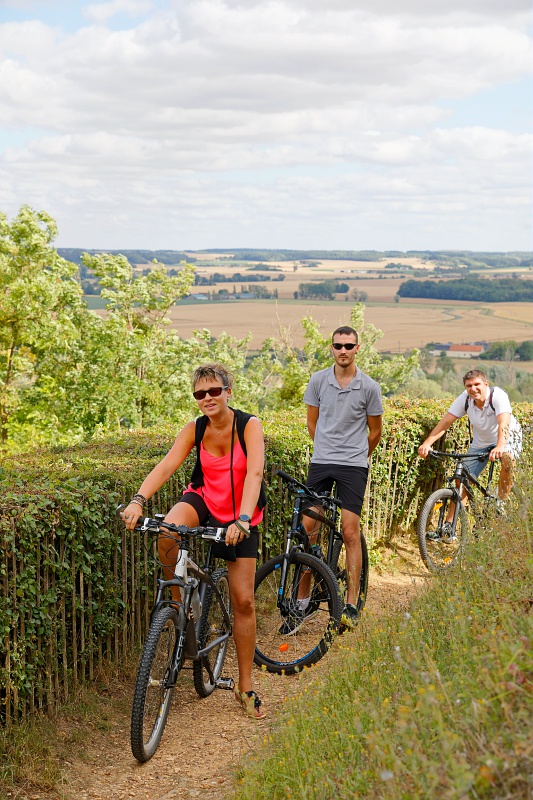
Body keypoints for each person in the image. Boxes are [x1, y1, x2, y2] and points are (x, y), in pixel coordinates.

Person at [121, 363, 266, 719]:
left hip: (239, 517)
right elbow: (167, 465)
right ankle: (178, 607)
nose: (207, 399)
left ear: (228, 392)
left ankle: (245, 689)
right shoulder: (195, 429)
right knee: (168, 529)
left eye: (214, 391)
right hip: (203, 502)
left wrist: (243, 519)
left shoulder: (249, 425)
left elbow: (256, 473)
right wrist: (138, 500)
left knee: (244, 601)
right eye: (200, 394)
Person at [293, 325, 383, 632]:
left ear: (358, 348)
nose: (343, 350)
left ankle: (350, 602)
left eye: (348, 345)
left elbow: (376, 431)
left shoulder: (369, 387)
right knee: (308, 529)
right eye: (337, 345)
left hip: (353, 466)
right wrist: (326, 449)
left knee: (350, 531)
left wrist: (357, 455)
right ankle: (303, 601)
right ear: (331, 349)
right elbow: (311, 422)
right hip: (321, 463)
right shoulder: (318, 381)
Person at [418, 369, 522, 524]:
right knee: (461, 481)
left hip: (507, 438)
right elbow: (445, 422)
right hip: (481, 442)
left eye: (477, 384)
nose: (473, 389)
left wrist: (500, 446)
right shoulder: (465, 399)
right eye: (469, 386)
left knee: (508, 459)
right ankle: (449, 526)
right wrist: (427, 443)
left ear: (486, 384)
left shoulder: (498, 396)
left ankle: (500, 501)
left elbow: (504, 423)